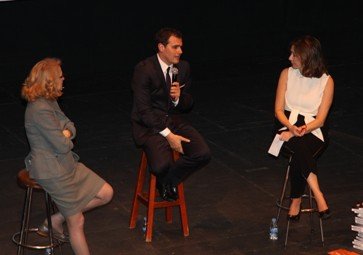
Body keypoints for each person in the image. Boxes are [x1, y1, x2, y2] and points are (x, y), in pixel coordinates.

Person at [22, 58, 113, 255]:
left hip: (65, 163)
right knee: (77, 220)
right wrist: (65, 134)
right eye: (61, 77)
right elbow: (62, 144)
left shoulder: (49, 100)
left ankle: (54, 220)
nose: (64, 79)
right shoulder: (39, 109)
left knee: (106, 193)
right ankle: (60, 220)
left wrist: (66, 132)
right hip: (51, 170)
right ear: (50, 80)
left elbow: (70, 125)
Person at [131, 27, 211, 201]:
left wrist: (178, 99)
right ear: (161, 47)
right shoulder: (144, 69)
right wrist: (169, 136)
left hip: (173, 120)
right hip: (149, 126)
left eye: (181, 47)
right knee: (161, 166)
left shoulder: (183, 68)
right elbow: (144, 110)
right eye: (175, 47)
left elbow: (189, 104)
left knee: (202, 153)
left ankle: (167, 182)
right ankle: (166, 179)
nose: (180, 51)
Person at [274, 35, 334, 220]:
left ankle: (296, 199)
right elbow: (278, 110)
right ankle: (318, 194)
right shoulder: (286, 73)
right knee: (301, 148)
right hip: (287, 124)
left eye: (294, 54)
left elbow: (321, 120)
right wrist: (291, 129)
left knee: (301, 148)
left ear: (306, 57)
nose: (290, 58)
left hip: (314, 128)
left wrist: (300, 131)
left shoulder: (327, 81)